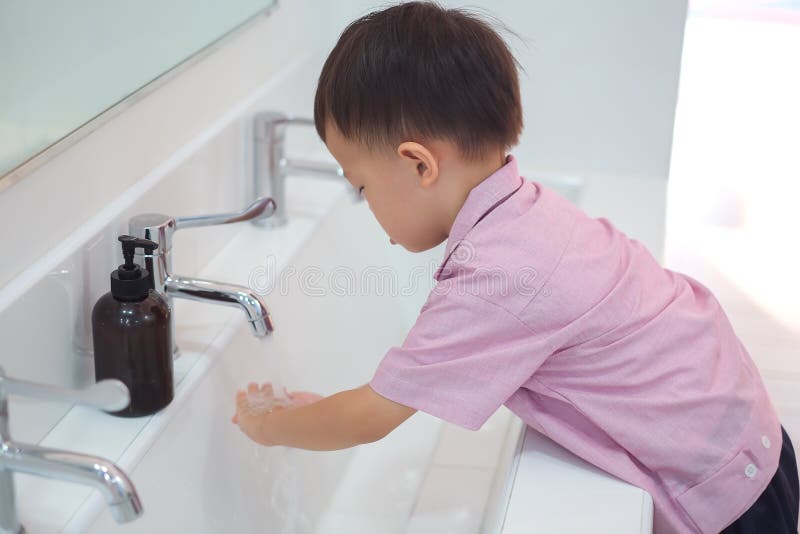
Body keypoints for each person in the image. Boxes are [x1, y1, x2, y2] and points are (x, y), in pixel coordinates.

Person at [231, 3, 799, 532]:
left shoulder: (496, 278)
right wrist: (319, 409)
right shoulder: (524, 210)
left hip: (729, 493)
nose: (365, 204)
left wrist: (271, 427)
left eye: (362, 186)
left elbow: (371, 418)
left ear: (418, 164)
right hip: (751, 434)